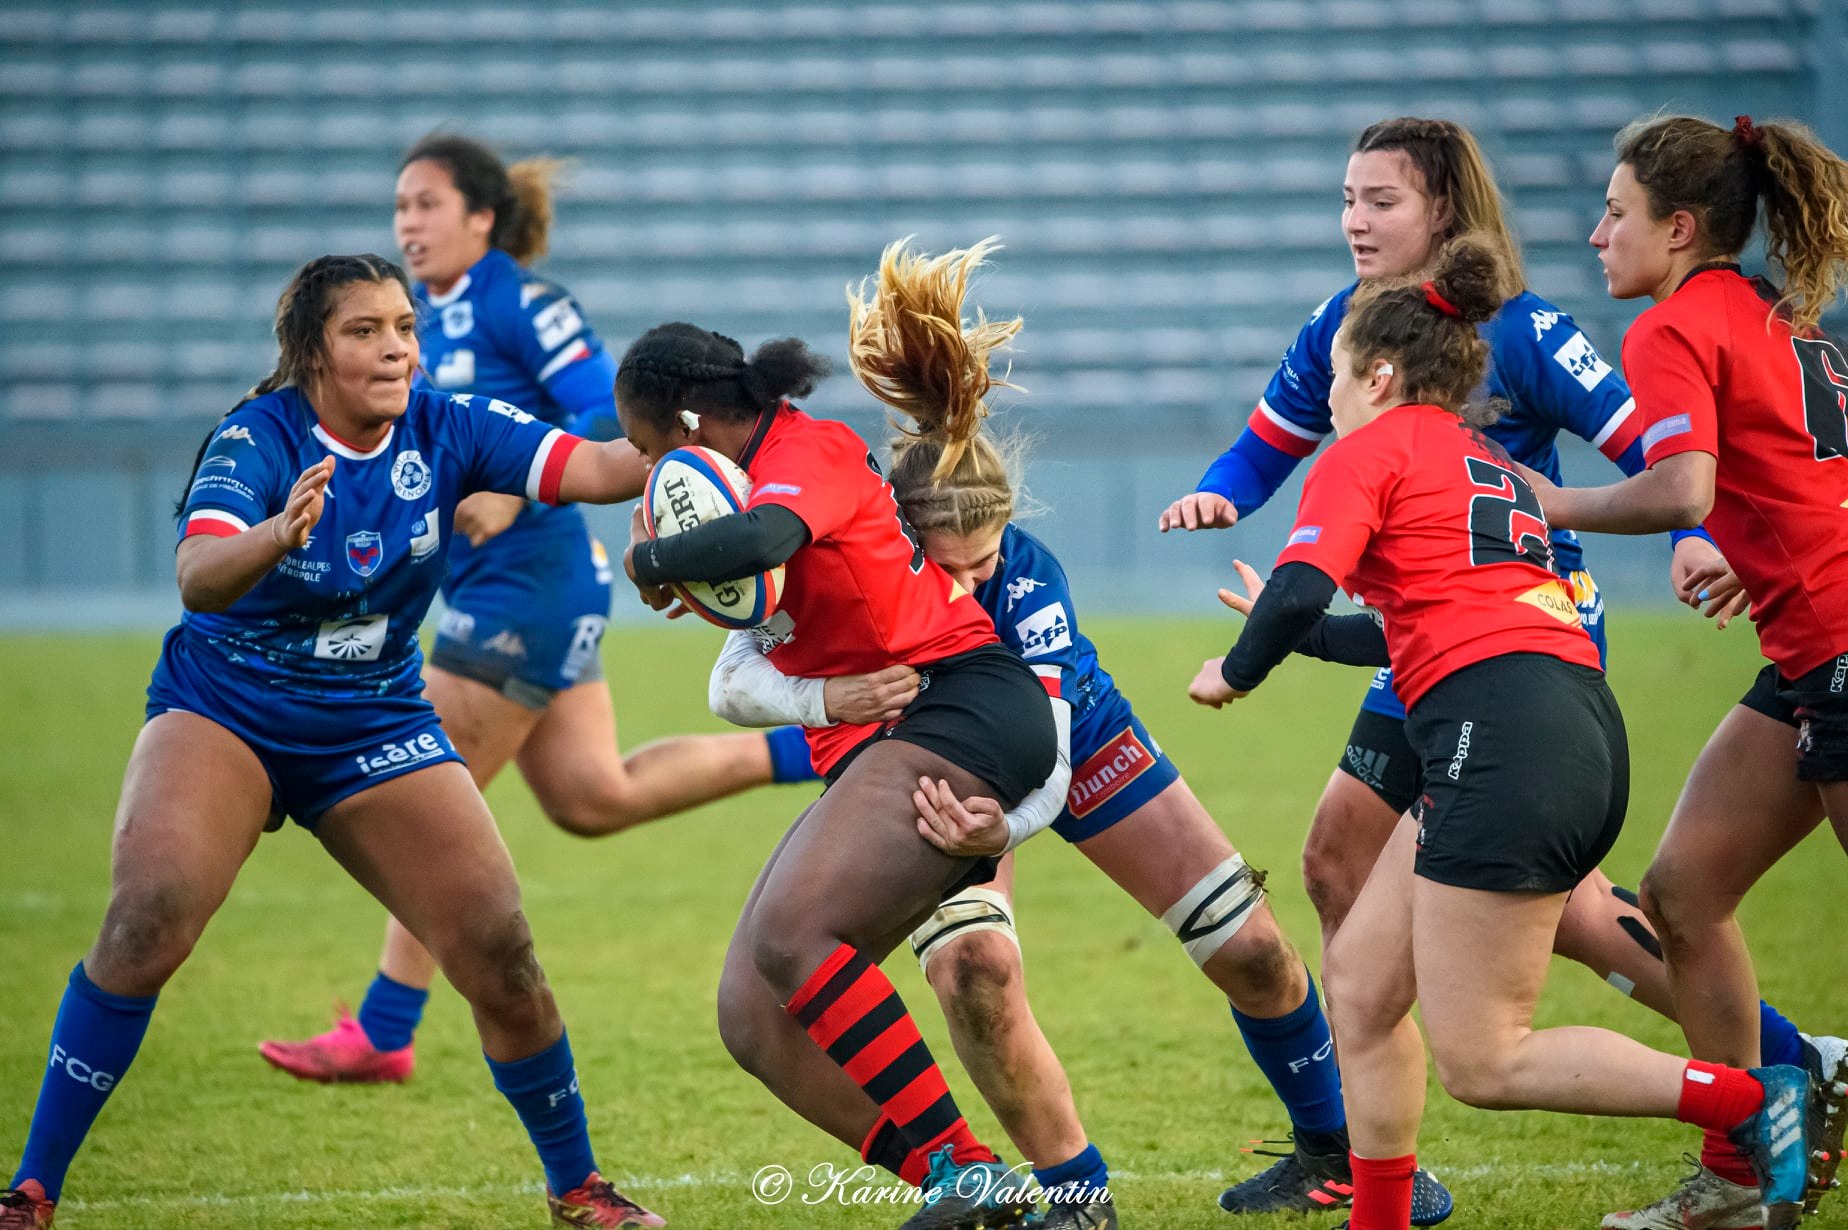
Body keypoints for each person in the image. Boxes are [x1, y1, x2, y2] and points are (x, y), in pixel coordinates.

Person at [1155, 116, 1831, 1212]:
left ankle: (1769, 1074)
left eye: (1380, 200)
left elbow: (1655, 450)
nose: (1355, 221)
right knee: (1353, 895)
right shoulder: (1352, 332)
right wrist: (1226, 495)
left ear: (1445, 213)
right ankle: (1379, 1174)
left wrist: (1689, 534)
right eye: (1346, 199)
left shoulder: (1520, 336)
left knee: (1497, 990)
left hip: (1513, 650)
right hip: (1446, 648)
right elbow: (1268, 446)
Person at [704, 238, 1451, 1228]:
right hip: (937, 758)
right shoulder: (860, 561)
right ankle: (1075, 1198)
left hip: (1072, 744)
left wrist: (999, 832)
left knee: (1252, 949)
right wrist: (824, 704)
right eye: (949, 568)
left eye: (984, 563)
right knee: (975, 971)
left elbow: (1051, 753)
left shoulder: (1029, 578)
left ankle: (1332, 1151)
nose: (969, 588)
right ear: (900, 532)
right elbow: (735, 671)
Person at [0, 255, 665, 1229]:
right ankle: (29, 1190)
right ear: (311, 351)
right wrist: (277, 533)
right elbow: (197, 575)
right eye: (365, 331)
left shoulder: (448, 424)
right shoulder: (256, 436)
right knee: (147, 920)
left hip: (372, 720)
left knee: (503, 955)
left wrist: (702, 436)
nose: (396, 346)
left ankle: (579, 1189)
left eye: (403, 325)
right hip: (227, 708)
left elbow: (598, 467)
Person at [259, 135, 817, 1087]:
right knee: (593, 796)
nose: (408, 223)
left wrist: (518, 490)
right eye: (400, 207)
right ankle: (819, 746)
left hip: (534, 588)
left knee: (417, 797)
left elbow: (615, 418)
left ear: (481, 218)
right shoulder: (413, 321)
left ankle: (385, 1030)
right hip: (484, 586)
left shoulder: (523, 302)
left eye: (426, 205)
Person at [616, 320, 1059, 1230]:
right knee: (753, 1016)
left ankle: (969, 1170)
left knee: (792, 933)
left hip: (961, 704)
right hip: (893, 739)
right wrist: (819, 696)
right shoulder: (742, 492)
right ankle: (954, 1181)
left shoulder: (804, 455)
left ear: (690, 427)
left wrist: (649, 560)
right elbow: (734, 674)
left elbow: (763, 536)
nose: (645, 472)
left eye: (646, 449)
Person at [1523, 112, 1848, 1228]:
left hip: (1843, 645)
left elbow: (1681, 492)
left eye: (1617, 215)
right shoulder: (1775, 315)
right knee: (1682, 893)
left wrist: (1543, 503)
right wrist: (1766, 568)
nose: (1597, 233)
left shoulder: (1672, 326)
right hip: (1814, 646)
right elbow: (1797, 478)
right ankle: (1745, 1170)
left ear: (1680, 228)